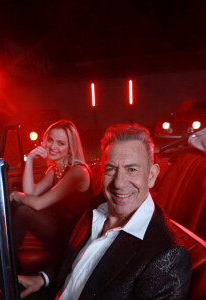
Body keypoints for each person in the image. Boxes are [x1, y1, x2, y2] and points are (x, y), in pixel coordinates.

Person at [18, 123, 192, 300]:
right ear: (101, 172)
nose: (118, 183)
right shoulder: (98, 205)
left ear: (152, 175)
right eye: (110, 169)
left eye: (132, 169)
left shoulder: (168, 255)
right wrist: (43, 278)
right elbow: (79, 259)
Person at [10, 120, 92, 269]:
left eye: (61, 143)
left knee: (22, 210)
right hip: (57, 227)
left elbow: (38, 203)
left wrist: (16, 194)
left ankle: (6, 265)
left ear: (70, 148)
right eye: (51, 140)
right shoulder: (54, 170)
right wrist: (29, 160)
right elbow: (31, 193)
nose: (53, 147)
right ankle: (7, 261)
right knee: (20, 207)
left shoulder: (78, 172)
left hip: (72, 236)